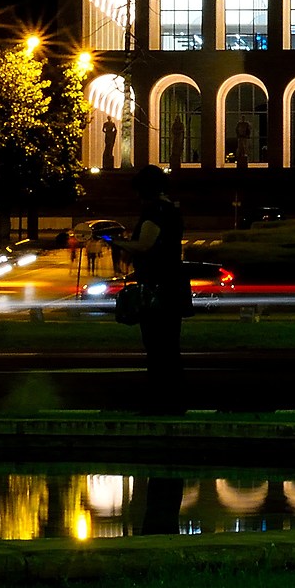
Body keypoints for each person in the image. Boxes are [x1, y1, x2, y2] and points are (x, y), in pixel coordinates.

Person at [128, 164, 188, 415]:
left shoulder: (154, 211)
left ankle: (159, 400)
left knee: (156, 346)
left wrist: (115, 241)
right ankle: (174, 399)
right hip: (173, 284)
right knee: (170, 346)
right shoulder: (172, 210)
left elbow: (144, 245)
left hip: (157, 286)